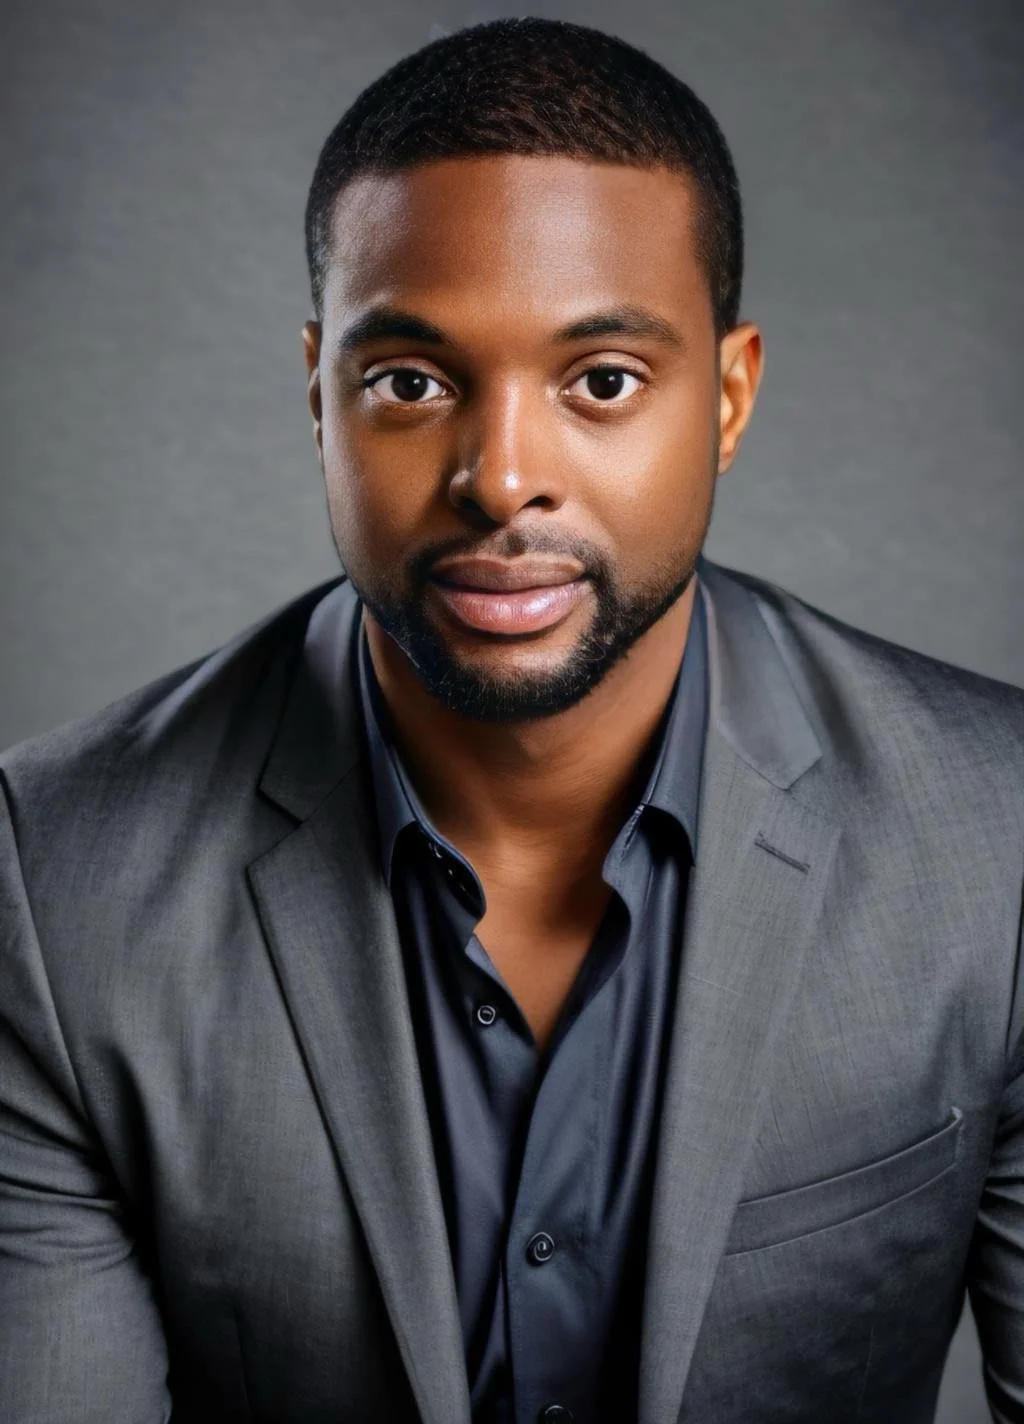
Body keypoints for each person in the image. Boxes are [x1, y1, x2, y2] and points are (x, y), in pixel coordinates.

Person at [0, 15, 1020, 1424]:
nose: (499, 476)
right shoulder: (54, 884)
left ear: (728, 398)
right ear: (320, 396)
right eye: (411, 384)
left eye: (602, 382)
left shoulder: (997, 846)